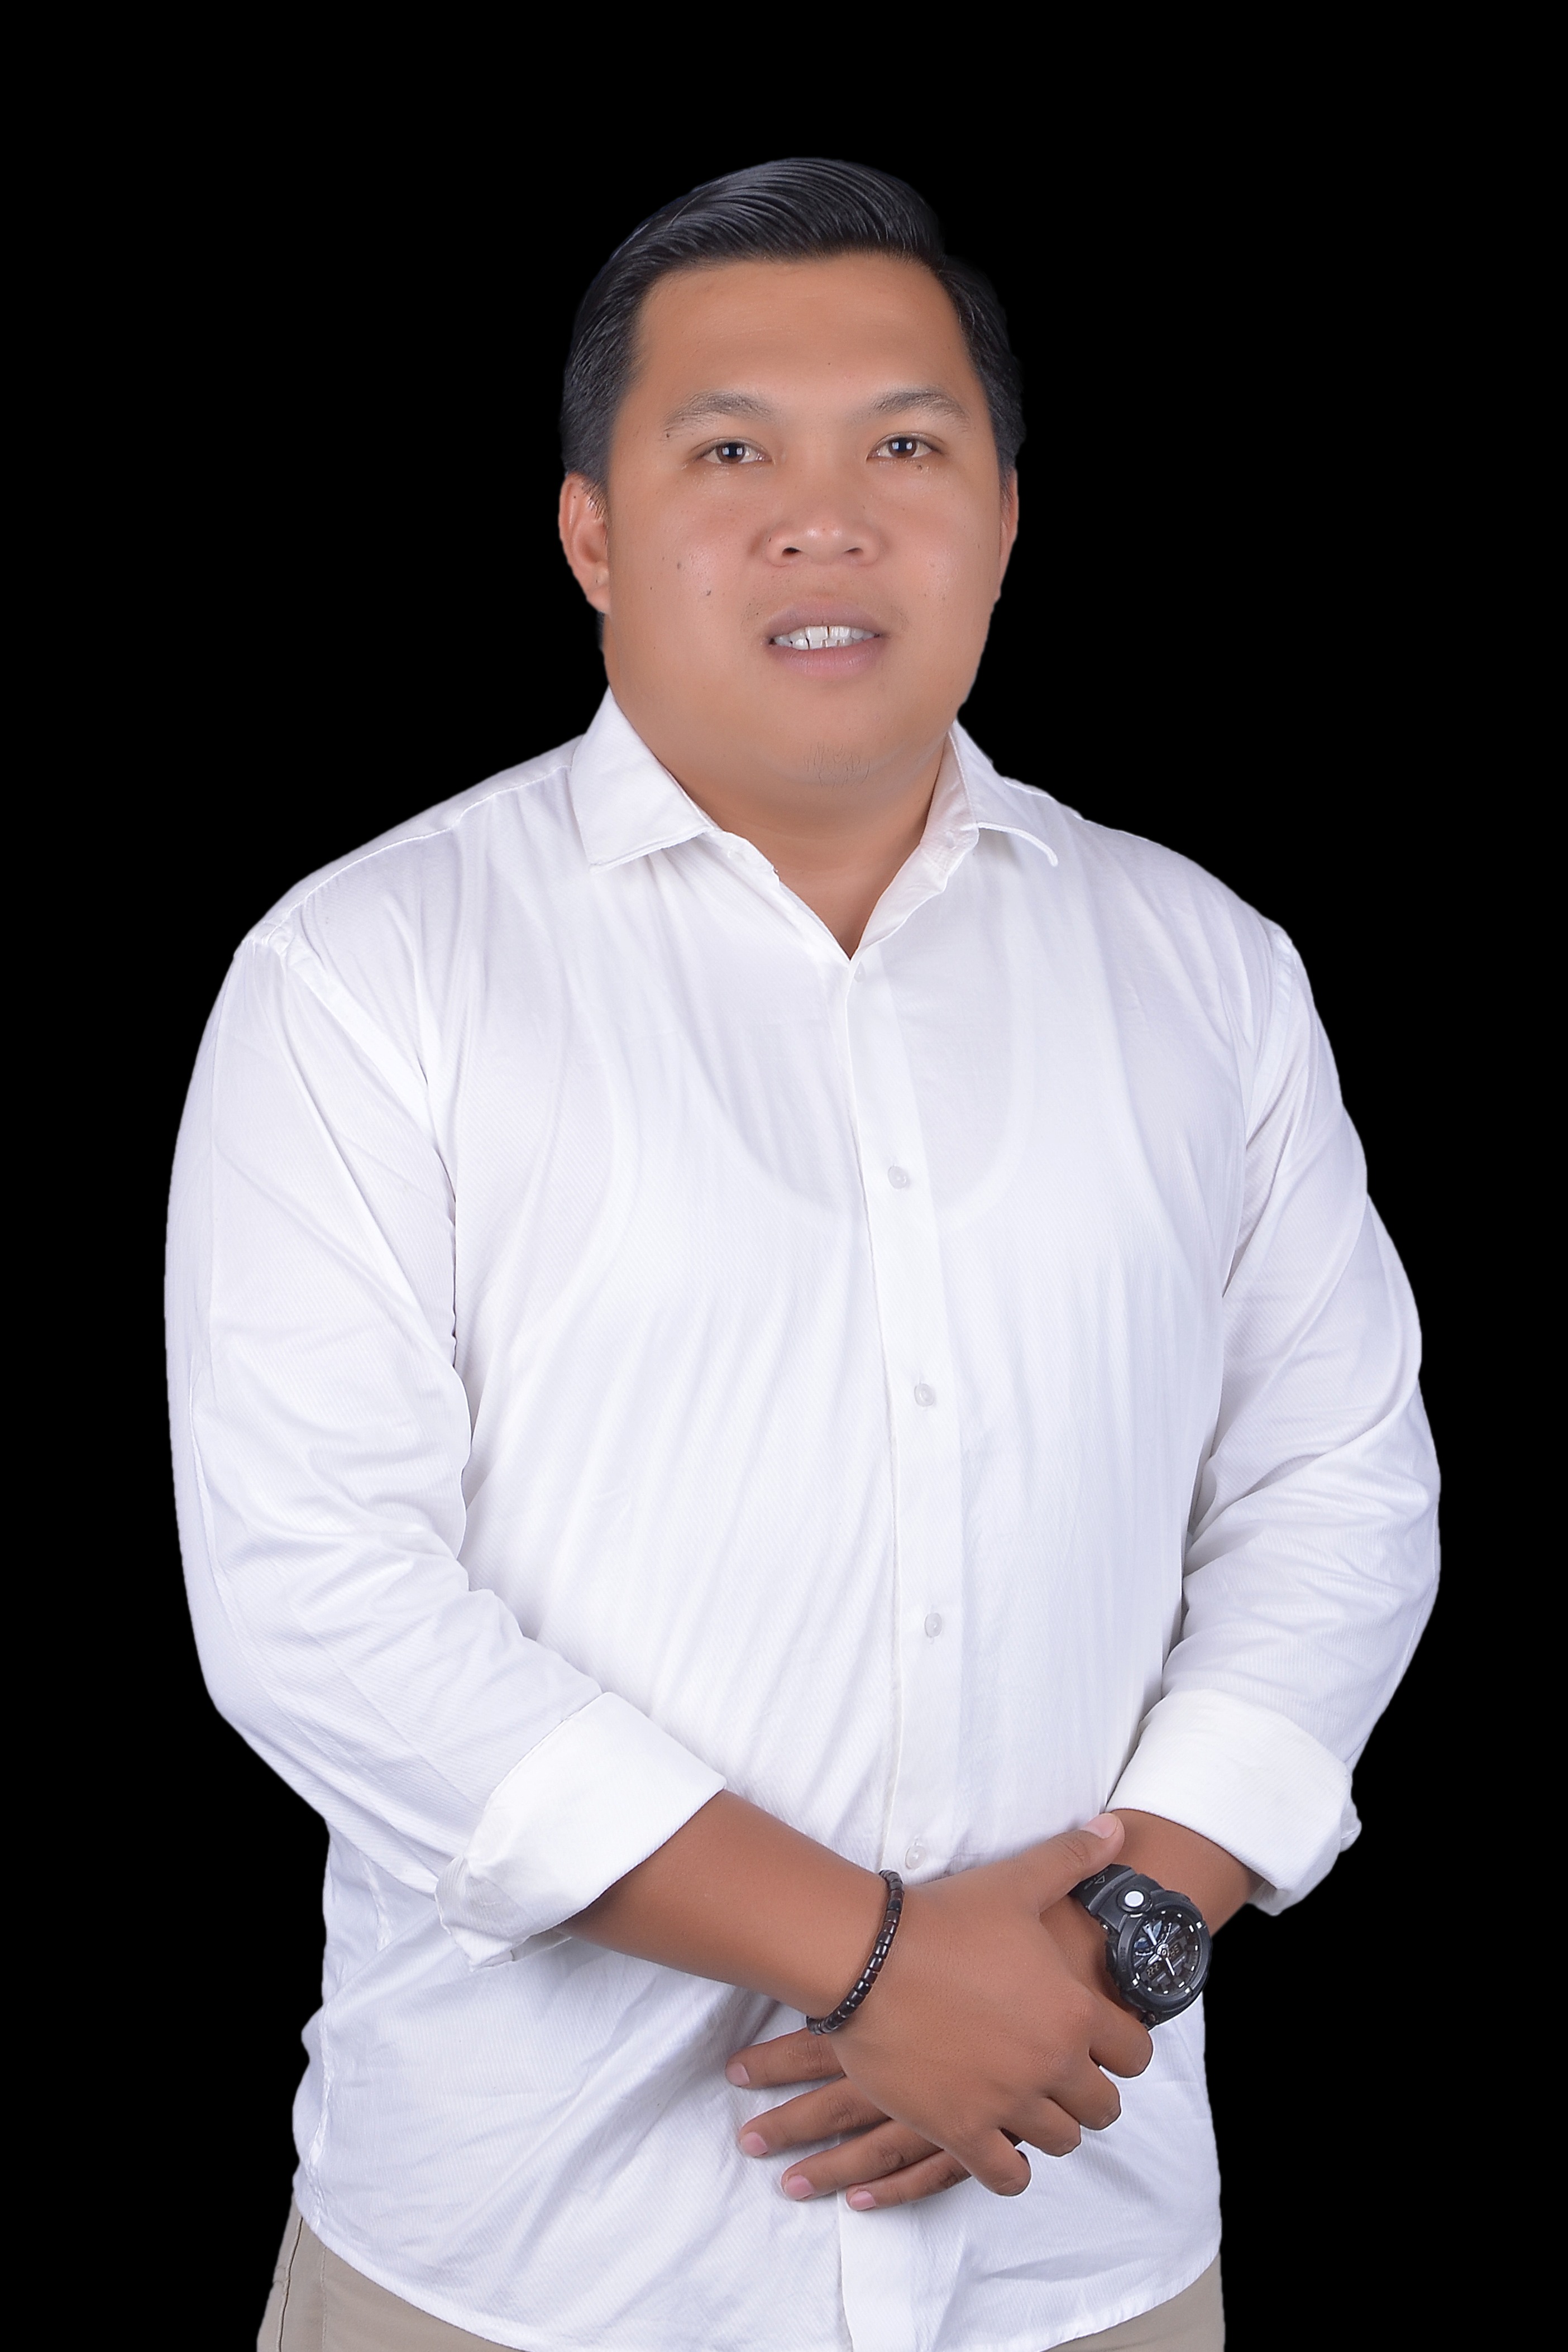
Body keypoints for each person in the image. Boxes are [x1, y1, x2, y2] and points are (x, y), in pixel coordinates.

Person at [167, 159, 1439, 2352]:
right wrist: (872, 1955)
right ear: (591, 530)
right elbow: (316, 1595)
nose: (824, 522)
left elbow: (1338, 1490)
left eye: (906, 447)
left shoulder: (1205, 970)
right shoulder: (368, 974)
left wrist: (1118, 1936)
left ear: (1005, 517)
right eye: (733, 451)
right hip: (520, 2277)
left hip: (1076, 2255)